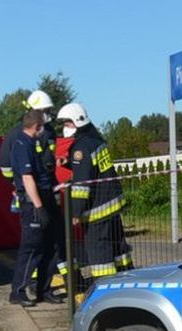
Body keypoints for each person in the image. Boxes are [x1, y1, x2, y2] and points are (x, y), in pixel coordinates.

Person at [57, 103, 132, 293]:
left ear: (77, 122)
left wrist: (75, 212)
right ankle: (128, 279)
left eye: (67, 123)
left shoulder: (80, 148)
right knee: (118, 248)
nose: (65, 127)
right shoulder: (96, 141)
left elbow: (82, 185)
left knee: (99, 253)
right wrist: (69, 164)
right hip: (113, 204)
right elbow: (93, 169)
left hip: (98, 211)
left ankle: (105, 291)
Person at [10, 110, 62, 307]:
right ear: (37, 126)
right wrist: (39, 208)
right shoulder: (22, 145)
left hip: (44, 198)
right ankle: (18, 291)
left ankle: (44, 289)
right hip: (33, 203)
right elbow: (27, 177)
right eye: (43, 127)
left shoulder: (33, 143)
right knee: (32, 248)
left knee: (51, 246)